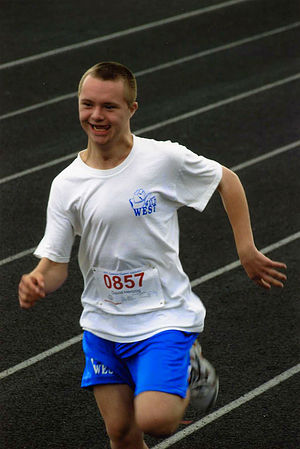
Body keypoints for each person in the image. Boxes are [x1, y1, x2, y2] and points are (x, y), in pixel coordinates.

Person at [18, 61, 287, 449]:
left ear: (132, 109)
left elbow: (226, 179)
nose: (97, 115)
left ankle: (191, 370)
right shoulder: (66, 184)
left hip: (162, 315)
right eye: (87, 104)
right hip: (103, 322)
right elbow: (56, 263)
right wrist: (39, 279)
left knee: (157, 421)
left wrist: (246, 249)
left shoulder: (161, 159)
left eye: (109, 106)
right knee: (121, 435)